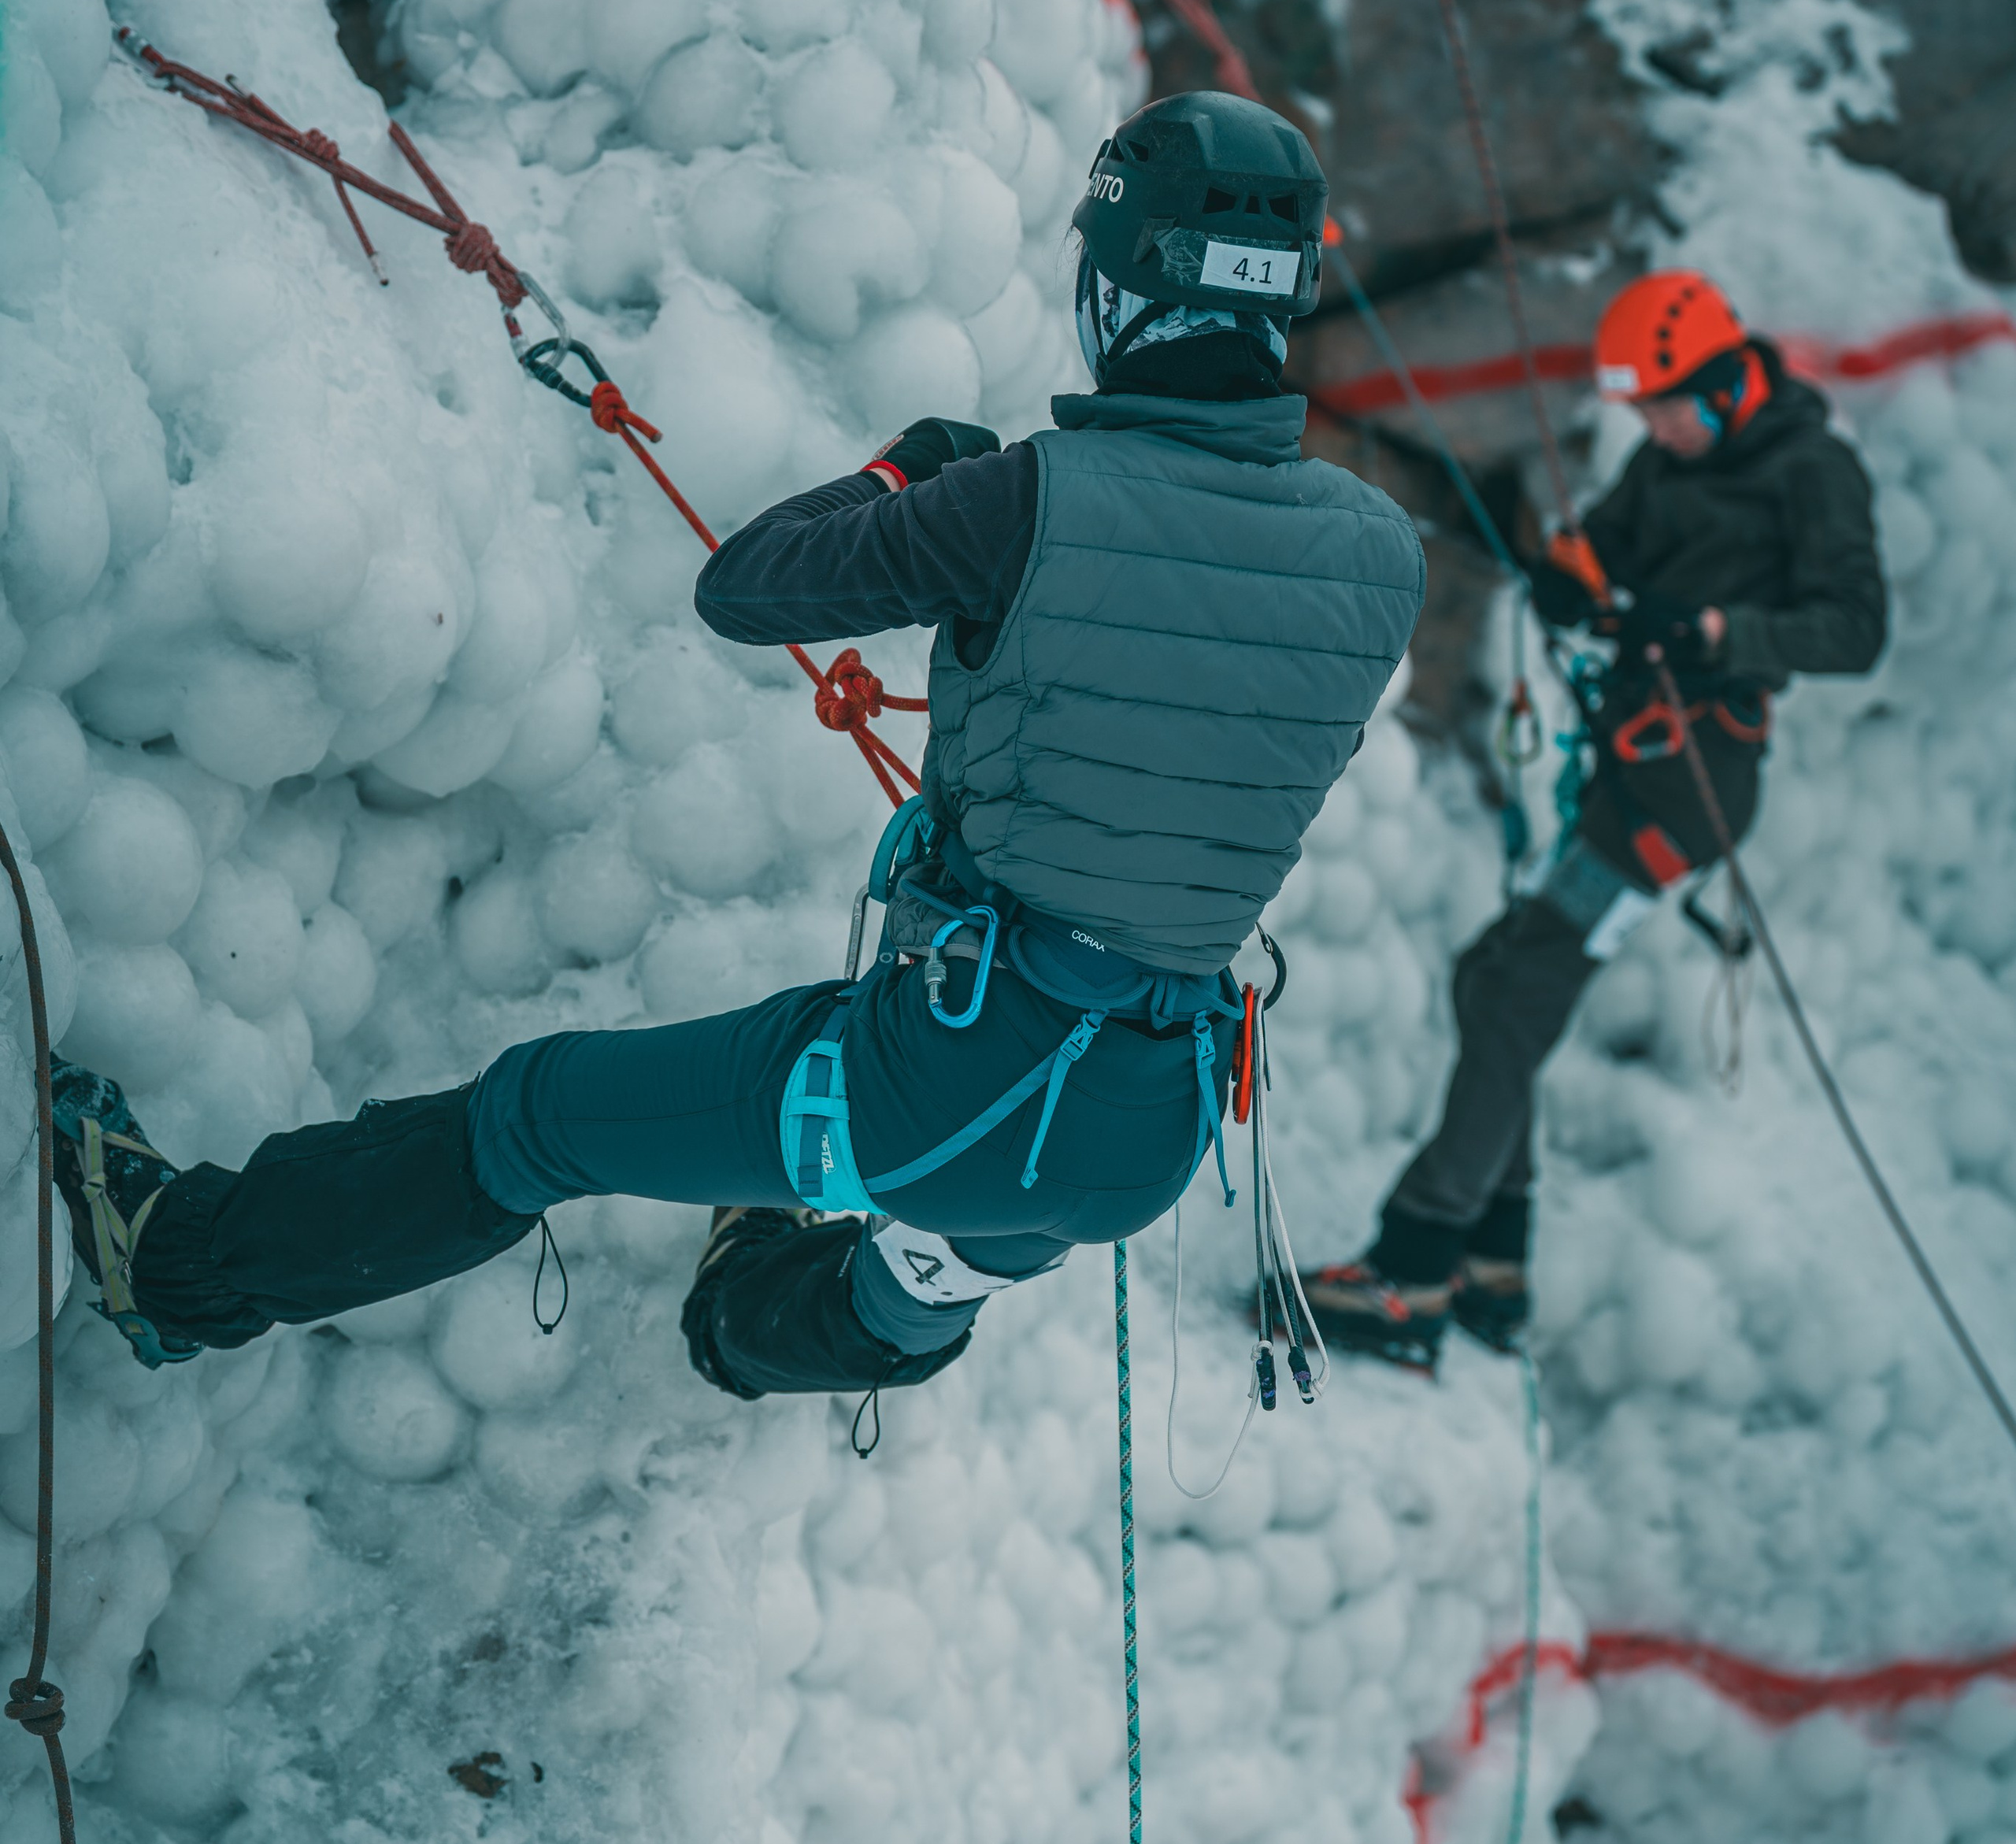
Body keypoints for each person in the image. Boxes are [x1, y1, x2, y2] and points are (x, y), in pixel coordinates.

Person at [49, 94, 1425, 1403]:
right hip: (1149, 1131)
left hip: (947, 1080)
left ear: (1117, 290)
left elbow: (754, 586)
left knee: (540, 1118)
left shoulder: (1026, 502)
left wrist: (903, 474)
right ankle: (755, 1332)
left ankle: (172, 1268)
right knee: (933, 1251)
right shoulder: (1381, 558)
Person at [1304, 268, 1888, 1372]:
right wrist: (1571, 578)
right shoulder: (1675, 459)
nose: (1652, 430)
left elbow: (1855, 628)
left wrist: (1713, 628)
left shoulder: (1812, 474)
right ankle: (1491, 1263)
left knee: (1518, 987)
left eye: (1666, 406)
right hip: (1635, 777)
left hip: (1687, 790)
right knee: (1496, 981)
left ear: (1723, 386)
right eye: (1643, 411)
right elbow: (1604, 547)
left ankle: (1416, 1267)